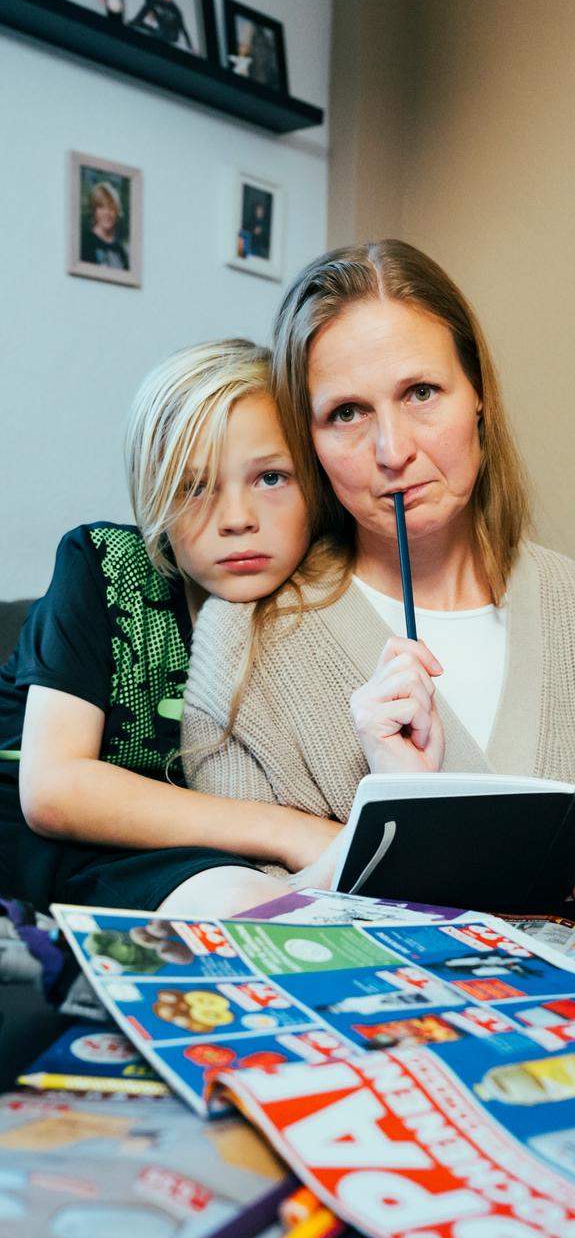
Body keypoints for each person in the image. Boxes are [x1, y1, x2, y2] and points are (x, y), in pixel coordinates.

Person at [182, 239, 575, 900]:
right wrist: (392, 813)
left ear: (479, 398)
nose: (392, 450)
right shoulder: (244, 638)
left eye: (421, 392)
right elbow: (245, 925)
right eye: (345, 413)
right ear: (309, 441)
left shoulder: (571, 598)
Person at [0, 340, 342, 915]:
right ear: (154, 498)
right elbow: (53, 790)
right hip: (45, 833)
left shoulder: (328, 595)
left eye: (271, 478)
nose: (237, 520)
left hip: (186, 851)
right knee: (247, 902)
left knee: (275, 905)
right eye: (194, 486)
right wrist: (291, 831)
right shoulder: (104, 563)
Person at [80, 181, 129, 271]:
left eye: (111, 208)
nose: (107, 213)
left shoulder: (121, 251)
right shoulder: (84, 243)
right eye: (102, 207)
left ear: (117, 212)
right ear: (94, 210)